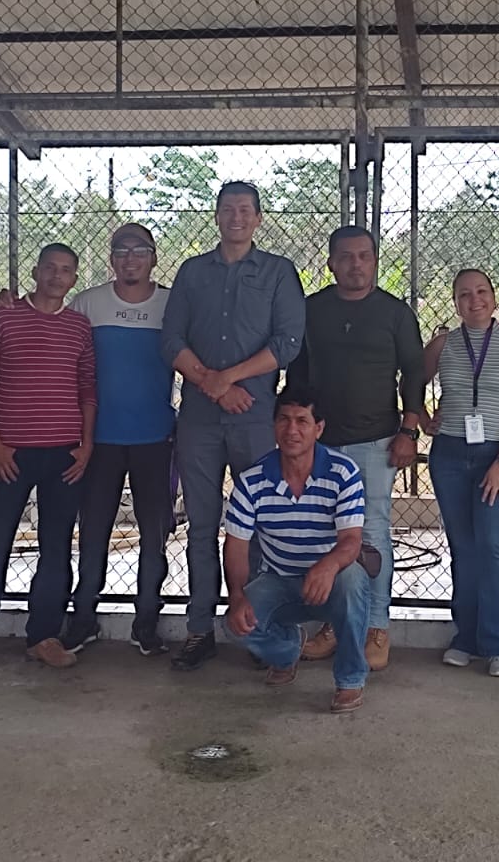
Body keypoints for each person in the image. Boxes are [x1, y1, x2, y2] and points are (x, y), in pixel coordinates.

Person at [161, 180, 306, 672]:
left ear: (258, 218)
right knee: (201, 527)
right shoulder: (192, 272)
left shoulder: (278, 272)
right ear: (217, 215)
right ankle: (199, 629)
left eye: (245, 210)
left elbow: (287, 342)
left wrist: (230, 378)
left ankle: (260, 630)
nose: (236, 217)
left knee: (261, 526)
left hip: (255, 418)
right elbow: (172, 340)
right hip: (199, 420)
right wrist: (212, 382)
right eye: (227, 209)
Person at [0, 244, 98, 682]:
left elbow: (87, 388)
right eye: (49, 267)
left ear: (74, 279)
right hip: (10, 455)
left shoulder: (78, 327)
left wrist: (86, 445)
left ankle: (43, 636)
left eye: (65, 270)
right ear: (35, 271)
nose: (56, 276)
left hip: (64, 455)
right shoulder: (3, 319)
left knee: (56, 548)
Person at [287, 226, 425, 672]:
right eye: (346, 257)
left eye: (364, 256)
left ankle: (375, 627)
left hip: (377, 441)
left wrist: (409, 431)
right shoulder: (312, 310)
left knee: (373, 533)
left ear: (375, 261)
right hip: (323, 444)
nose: (356, 264)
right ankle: (336, 623)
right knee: (328, 535)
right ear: (331, 263)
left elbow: (414, 373)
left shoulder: (395, 313)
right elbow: (298, 375)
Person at [63, 223, 176, 657]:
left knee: (154, 536)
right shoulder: (87, 304)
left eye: (140, 250)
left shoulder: (172, 305)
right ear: (112, 258)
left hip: (155, 440)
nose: (131, 258)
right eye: (122, 250)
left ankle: (146, 623)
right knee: (93, 534)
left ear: (153, 258)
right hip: (97, 442)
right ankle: (83, 620)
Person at [223, 385, 371, 713]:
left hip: (332, 580)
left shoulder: (343, 472)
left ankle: (350, 679)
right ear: (274, 425)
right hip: (279, 581)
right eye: (284, 420)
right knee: (235, 625)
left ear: (319, 428)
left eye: (302, 421)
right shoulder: (251, 481)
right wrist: (236, 596)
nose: (292, 430)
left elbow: (351, 540)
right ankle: (288, 651)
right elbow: (235, 546)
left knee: (353, 581)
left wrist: (328, 566)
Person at [423, 268, 499, 677]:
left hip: (495, 456)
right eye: (465, 294)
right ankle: (467, 638)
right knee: (463, 546)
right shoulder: (443, 344)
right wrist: (422, 417)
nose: (475, 300)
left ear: (493, 295)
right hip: (450, 455)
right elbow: (411, 381)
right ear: (456, 302)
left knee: (492, 545)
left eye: (482, 291)